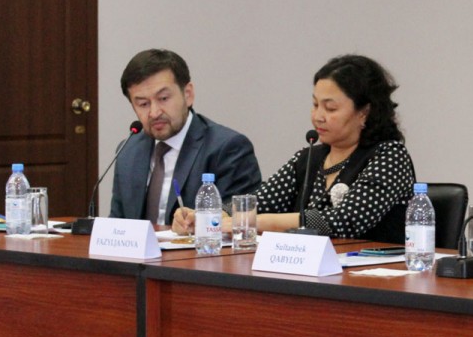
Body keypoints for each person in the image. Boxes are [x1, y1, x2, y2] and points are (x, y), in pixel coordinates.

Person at [174, 54, 416, 243]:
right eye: (315, 105)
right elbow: (261, 200)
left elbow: (345, 220)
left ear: (364, 112)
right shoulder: (309, 158)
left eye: (330, 108)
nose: (318, 116)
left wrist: (253, 221)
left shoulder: (389, 156)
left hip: (375, 276)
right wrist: (211, 215)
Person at [109, 48, 261, 224]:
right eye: (143, 104)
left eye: (163, 98)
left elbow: (237, 224)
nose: (154, 112)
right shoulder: (128, 151)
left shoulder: (229, 148)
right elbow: (117, 225)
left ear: (188, 94)